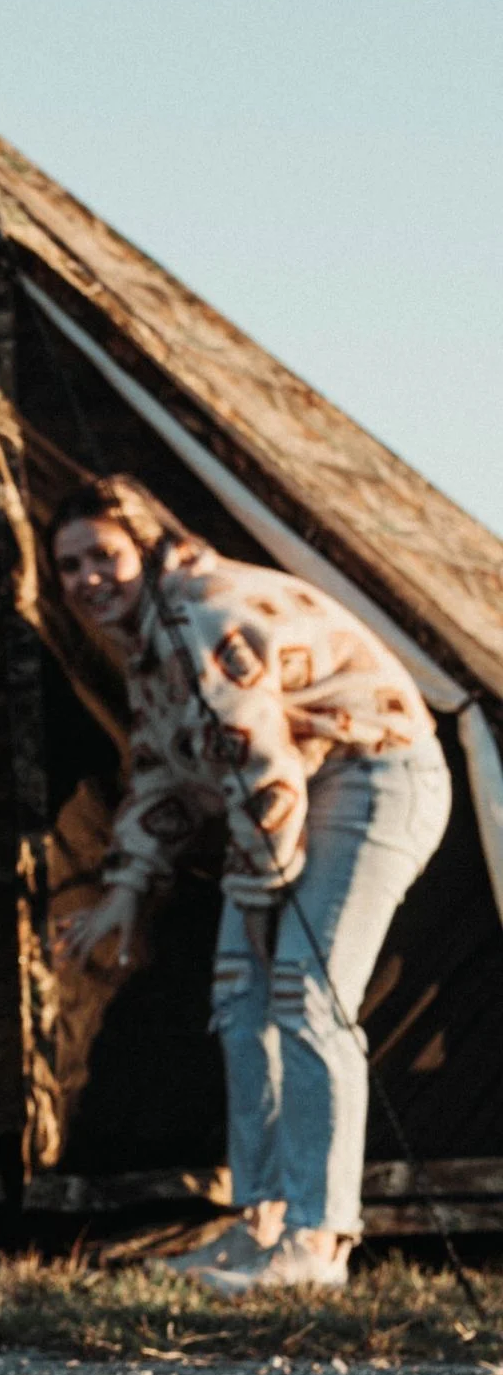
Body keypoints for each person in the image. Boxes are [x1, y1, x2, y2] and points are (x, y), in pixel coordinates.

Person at [49, 475, 449, 1293]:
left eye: (102, 556)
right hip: (284, 796)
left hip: (371, 772)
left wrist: (265, 887)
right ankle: (259, 1224)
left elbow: (258, 763)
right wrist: (124, 889)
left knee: (306, 994)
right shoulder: (148, 638)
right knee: (241, 1000)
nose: (87, 578)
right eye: (69, 565)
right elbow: (163, 768)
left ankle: (317, 1242)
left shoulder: (202, 615)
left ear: (146, 546)